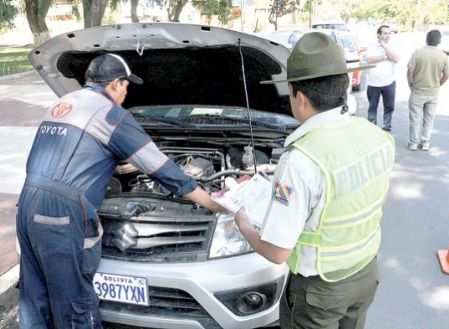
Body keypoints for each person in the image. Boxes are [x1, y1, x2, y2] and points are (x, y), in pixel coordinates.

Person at [16, 53, 224, 329]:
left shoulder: (64, 103)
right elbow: (160, 167)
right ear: (115, 84)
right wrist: (212, 203)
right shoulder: (111, 114)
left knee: (35, 296)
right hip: (63, 214)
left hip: (28, 201)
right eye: (126, 86)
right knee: (76, 303)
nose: (126, 93)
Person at [234, 32, 395, 329]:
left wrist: (243, 224)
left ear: (300, 98)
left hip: (321, 292)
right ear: (344, 86)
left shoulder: (300, 160)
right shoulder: (378, 137)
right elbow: (371, 200)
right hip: (366, 273)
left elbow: (277, 251)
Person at [407, 30, 449, 151]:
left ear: (426, 39)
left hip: (418, 91)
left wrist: (410, 84)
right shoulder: (443, 56)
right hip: (433, 93)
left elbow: (410, 70)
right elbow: (446, 75)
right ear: (439, 41)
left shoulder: (418, 53)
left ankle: (413, 143)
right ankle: (425, 142)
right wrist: (438, 85)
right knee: (429, 119)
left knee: (415, 118)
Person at [365, 25, 400, 132]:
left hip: (388, 82)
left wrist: (385, 47)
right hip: (373, 83)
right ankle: (372, 127)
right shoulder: (372, 45)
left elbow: (395, 59)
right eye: (385, 33)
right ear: (378, 35)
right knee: (372, 107)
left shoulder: (393, 45)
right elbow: (369, 60)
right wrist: (384, 57)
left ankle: (386, 127)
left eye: (389, 33)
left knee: (389, 107)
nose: (388, 35)